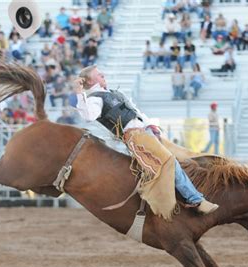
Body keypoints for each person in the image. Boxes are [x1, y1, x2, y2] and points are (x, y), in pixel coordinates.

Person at [73, 65, 219, 216]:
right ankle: (195, 199)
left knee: (182, 154)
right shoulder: (94, 99)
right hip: (135, 136)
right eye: (99, 75)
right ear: (90, 81)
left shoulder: (112, 93)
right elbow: (88, 116)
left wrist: (150, 125)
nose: (103, 75)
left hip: (145, 131)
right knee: (169, 160)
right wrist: (79, 93)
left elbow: (136, 111)